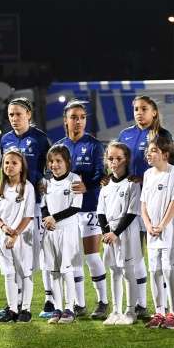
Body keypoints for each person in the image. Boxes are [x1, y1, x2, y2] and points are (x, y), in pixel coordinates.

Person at [118, 95, 173, 318]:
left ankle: (167, 307)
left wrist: (147, 180)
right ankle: (140, 304)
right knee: (135, 252)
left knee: (159, 257)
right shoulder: (125, 134)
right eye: (136, 109)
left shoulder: (162, 136)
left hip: (156, 203)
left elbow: (171, 170)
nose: (139, 113)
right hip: (130, 202)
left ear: (154, 112)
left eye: (144, 109)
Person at [0, 98, 52, 319]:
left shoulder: (40, 139)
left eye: (18, 114)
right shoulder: (6, 139)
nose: (14, 118)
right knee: (15, 254)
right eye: (11, 114)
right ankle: (16, 303)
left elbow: (52, 167)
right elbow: (4, 172)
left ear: (29, 114)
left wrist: (46, 183)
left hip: (36, 205)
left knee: (38, 254)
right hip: (13, 208)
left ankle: (50, 300)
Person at [55, 101, 107, 319]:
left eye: (82, 117)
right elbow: (53, 173)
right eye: (74, 117)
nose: (78, 121)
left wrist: (90, 185)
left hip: (90, 209)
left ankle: (103, 301)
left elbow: (101, 174)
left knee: (92, 256)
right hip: (67, 212)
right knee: (73, 258)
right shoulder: (58, 146)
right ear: (65, 120)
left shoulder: (94, 145)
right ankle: (79, 304)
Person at [141, 138, 174, 330]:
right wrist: (149, 225)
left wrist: (162, 225)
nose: (148, 154)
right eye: (147, 151)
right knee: (154, 271)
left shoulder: (173, 173)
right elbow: (143, 204)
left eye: (153, 150)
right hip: (152, 231)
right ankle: (159, 311)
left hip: (167, 231)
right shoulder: (148, 174)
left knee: (167, 270)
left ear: (164, 154)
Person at [97, 142, 142, 326]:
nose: (114, 162)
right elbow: (100, 211)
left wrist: (116, 233)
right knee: (114, 271)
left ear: (126, 160)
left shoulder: (132, 184)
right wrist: (106, 232)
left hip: (126, 232)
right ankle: (115, 310)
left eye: (118, 159)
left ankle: (130, 311)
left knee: (127, 271)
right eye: (110, 159)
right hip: (110, 234)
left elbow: (132, 212)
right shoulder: (105, 184)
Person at [0, 149, 36, 323]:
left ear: (21, 167)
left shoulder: (27, 188)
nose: (9, 166)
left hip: (22, 238)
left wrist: (15, 234)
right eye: (6, 163)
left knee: (25, 273)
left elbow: (28, 216)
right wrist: (3, 227)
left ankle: (26, 309)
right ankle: (12, 309)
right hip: (3, 238)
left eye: (14, 163)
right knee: (9, 274)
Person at [40, 145, 83, 324]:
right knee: (54, 271)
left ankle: (69, 308)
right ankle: (57, 308)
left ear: (67, 162)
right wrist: (46, 220)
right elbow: (43, 205)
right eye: (51, 161)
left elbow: (75, 207)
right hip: (50, 232)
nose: (54, 165)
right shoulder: (46, 182)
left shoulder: (74, 179)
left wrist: (53, 218)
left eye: (58, 161)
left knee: (66, 270)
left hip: (67, 231)